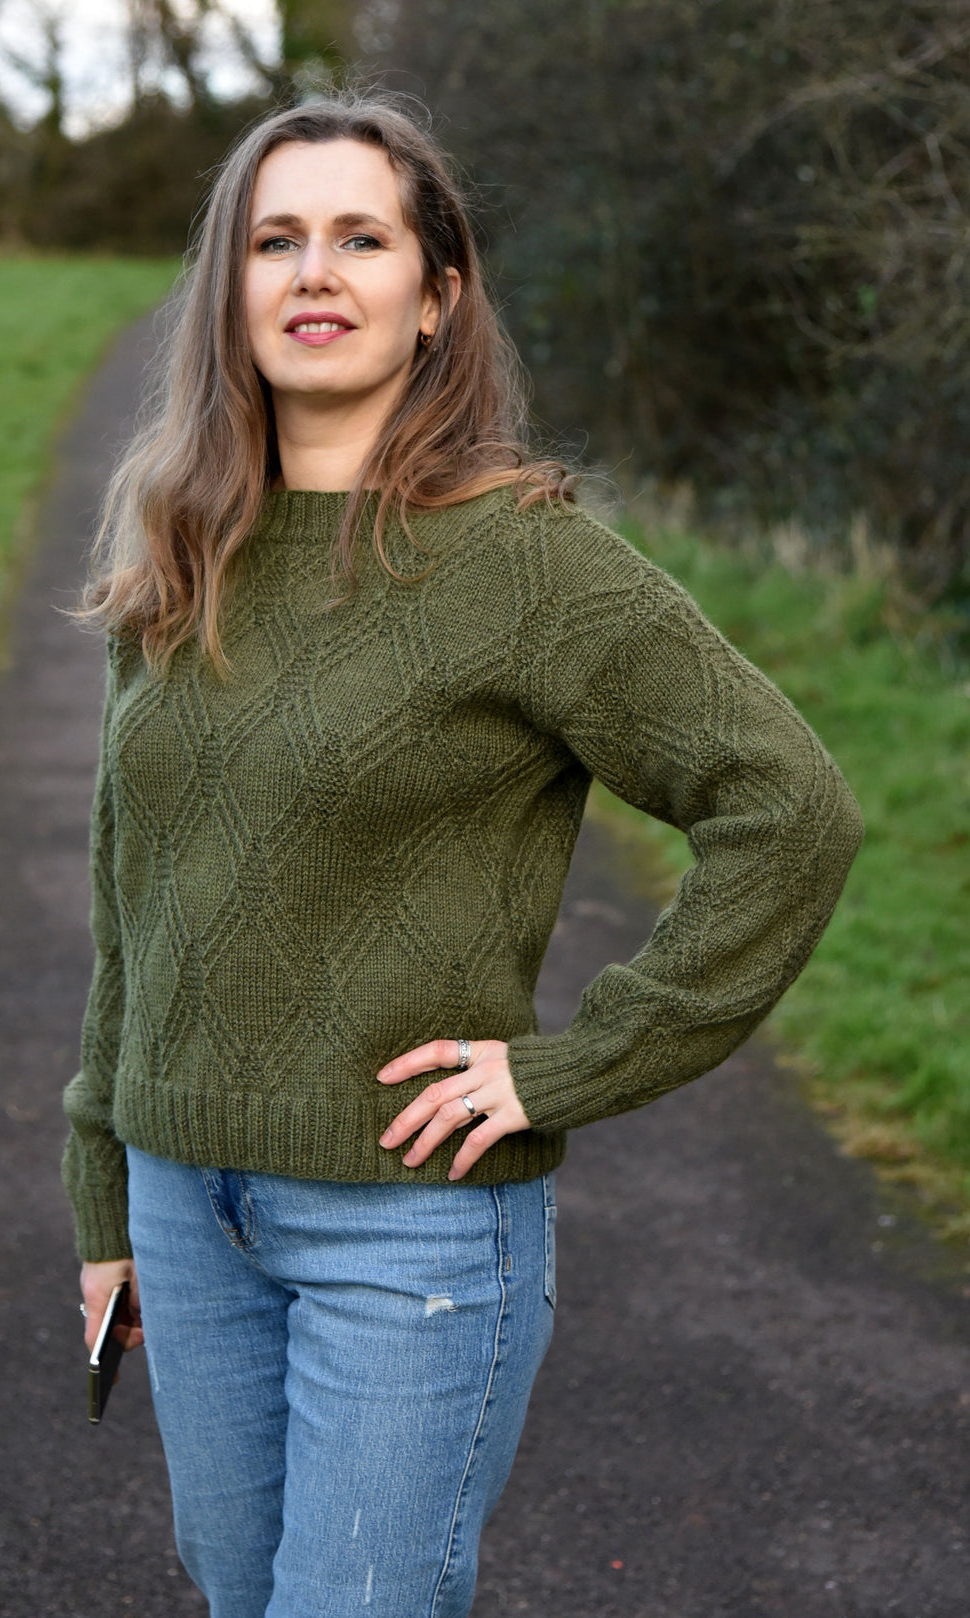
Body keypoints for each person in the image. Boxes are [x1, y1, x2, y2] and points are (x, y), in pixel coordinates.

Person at [61, 91, 863, 1618]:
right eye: (273, 241)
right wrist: (103, 1191)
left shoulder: (526, 565)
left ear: (434, 297)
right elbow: (132, 900)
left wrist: (576, 1064)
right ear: (226, 289)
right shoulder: (181, 545)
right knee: (234, 1588)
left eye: (359, 239)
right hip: (182, 1201)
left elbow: (787, 808)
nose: (313, 273)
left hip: (406, 1223)